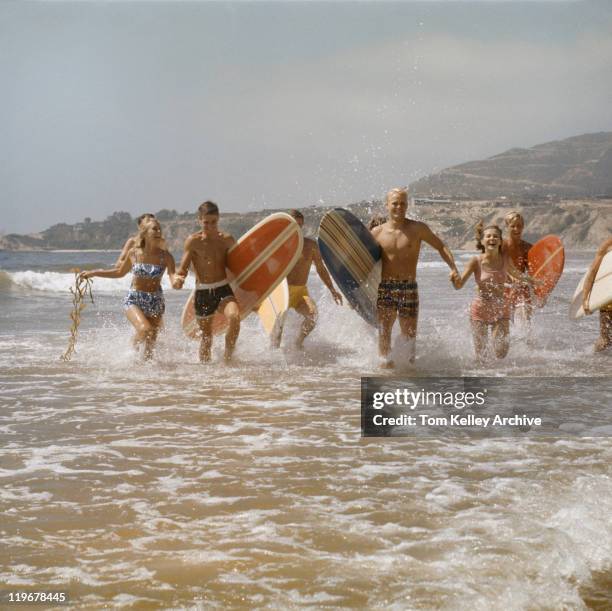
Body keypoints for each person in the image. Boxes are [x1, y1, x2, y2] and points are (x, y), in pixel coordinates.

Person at [371, 187, 459, 368]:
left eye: (403, 203)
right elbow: (363, 263)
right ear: (387, 205)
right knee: (384, 332)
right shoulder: (377, 233)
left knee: (409, 334)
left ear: (407, 205)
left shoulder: (418, 229)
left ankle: (408, 373)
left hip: (408, 287)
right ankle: (384, 371)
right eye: (395, 203)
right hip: (385, 287)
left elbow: (441, 246)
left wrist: (453, 268)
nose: (399, 207)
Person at [79, 219, 178, 360]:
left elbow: (173, 276)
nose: (158, 231)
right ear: (144, 233)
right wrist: (94, 273)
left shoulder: (166, 256)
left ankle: (146, 375)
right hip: (134, 299)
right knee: (145, 330)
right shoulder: (134, 253)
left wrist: (177, 281)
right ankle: (130, 353)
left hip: (155, 301)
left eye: (159, 229)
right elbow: (119, 272)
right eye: (154, 229)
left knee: (150, 345)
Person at [451, 222, 538, 364]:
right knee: (482, 358)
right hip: (480, 309)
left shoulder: (505, 260)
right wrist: (454, 279)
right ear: (483, 241)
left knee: (501, 353)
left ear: (500, 241)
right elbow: (459, 285)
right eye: (488, 236)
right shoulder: (475, 261)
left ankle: (500, 380)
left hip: (501, 308)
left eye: (495, 236)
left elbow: (519, 275)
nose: (492, 238)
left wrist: (536, 281)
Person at [173, 201, 240, 363]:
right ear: (199, 220)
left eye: (213, 222)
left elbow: (240, 265)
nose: (210, 226)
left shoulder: (227, 240)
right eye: (206, 222)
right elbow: (183, 268)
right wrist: (178, 279)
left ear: (218, 219)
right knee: (207, 338)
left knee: (234, 317)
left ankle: (228, 359)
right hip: (202, 292)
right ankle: (205, 375)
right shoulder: (193, 241)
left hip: (223, 288)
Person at [271, 209, 343, 349]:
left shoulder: (310, 246)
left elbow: (321, 269)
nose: (297, 229)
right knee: (277, 333)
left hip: (300, 293)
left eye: (300, 225)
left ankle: (298, 343)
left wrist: (332, 290)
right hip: (281, 293)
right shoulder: (277, 247)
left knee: (312, 315)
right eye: (293, 225)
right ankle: (274, 363)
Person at [503, 211, 534, 323]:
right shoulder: (501, 246)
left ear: (523, 227)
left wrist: (541, 291)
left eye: (519, 226)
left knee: (526, 324)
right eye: (513, 226)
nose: (517, 229)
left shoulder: (528, 248)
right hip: (504, 289)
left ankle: (528, 341)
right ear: (507, 227)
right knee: (505, 326)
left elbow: (534, 271)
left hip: (522, 289)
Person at [582, 237, 612, 352]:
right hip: (608, 299)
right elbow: (593, 273)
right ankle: (592, 359)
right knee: (606, 340)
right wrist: (585, 299)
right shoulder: (607, 246)